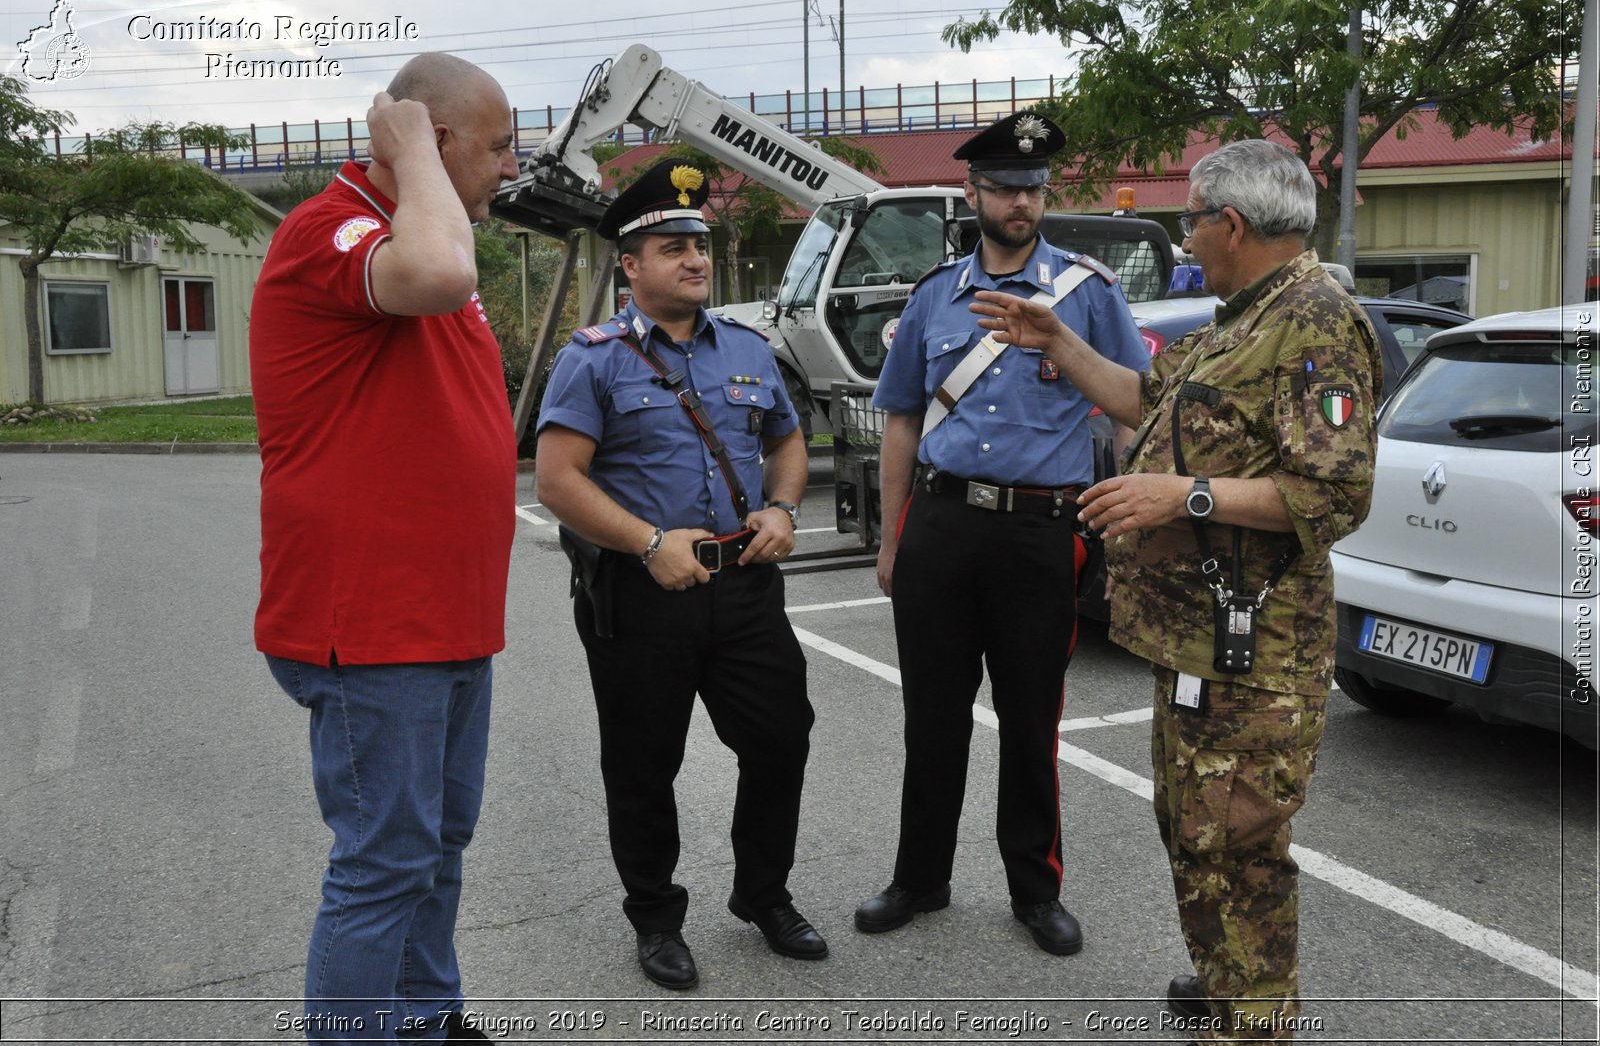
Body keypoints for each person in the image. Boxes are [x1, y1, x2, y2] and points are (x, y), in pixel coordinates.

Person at [968, 138, 1383, 1039]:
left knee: (1239, 849)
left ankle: (1257, 1016)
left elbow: (1335, 491)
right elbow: (1140, 396)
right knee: (1195, 833)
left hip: (1256, 656)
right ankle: (1226, 981)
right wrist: (1060, 340)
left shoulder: (1314, 322)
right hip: (1196, 642)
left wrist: (1181, 493)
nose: (1186, 238)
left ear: (1230, 224)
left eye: (1191, 222)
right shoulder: (1242, 319)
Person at [250, 52, 519, 1043]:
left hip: (443, 620)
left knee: (435, 846)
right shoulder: (335, 229)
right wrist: (408, 145)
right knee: (382, 863)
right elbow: (440, 274)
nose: (510, 168)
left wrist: (429, 177)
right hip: (372, 626)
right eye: (495, 148)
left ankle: (423, 1017)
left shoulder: (421, 225)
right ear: (433, 139)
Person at [854, 112, 1149, 955]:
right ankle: (920, 877)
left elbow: (1131, 405)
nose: (1022, 201)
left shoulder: (1087, 293)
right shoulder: (932, 298)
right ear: (974, 193)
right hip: (942, 526)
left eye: (1034, 188)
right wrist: (891, 540)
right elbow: (903, 421)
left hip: (1038, 533)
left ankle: (1034, 889)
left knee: (1031, 721)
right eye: (1006, 188)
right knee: (933, 717)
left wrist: (1128, 530)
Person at [534, 158, 822, 990]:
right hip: (640, 594)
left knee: (779, 737)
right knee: (642, 761)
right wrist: (648, 539)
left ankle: (763, 893)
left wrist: (783, 508)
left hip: (743, 587)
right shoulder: (593, 359)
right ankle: (656, 916)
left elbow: (787, 440)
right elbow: (557, 480)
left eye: (698, 243)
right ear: (630, 266)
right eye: (672, 246)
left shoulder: (747, 349)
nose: (695, 258)